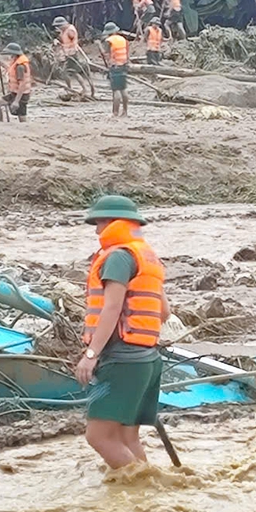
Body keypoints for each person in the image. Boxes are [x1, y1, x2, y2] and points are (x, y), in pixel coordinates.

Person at [74, 195, 169, 472]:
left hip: (123, 360)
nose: (96, 230)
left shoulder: (117, 257)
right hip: (147, 360)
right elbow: (164, 311)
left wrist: (91, 355)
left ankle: (143, 490)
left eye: (100, 222)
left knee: (99, 436)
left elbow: (112, 308)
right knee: (127, 437)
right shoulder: (145, 256)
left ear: (116, 222)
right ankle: (152, 494)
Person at [55, 16, 95, 100]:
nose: (58, 28)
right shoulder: (65, 30)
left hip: (72, 54)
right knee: (73, 72)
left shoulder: (70, 30)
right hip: (68, 54)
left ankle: (72, 88)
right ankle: (79, 88)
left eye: (59, 26)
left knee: (68, 72)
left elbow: (72, 41)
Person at [0, 42, 32, 123]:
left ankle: (26, 130)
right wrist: (2, 64)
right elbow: (11, 70)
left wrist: (16, 101)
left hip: (21, 95)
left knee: (21, 117)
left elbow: (22, 84)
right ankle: (0, 123)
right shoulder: (16, 61)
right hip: (14, 93)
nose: (9, 56)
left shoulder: (20, 66)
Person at [101, 23, 131, 120]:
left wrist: (99, 46)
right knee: (123, 89)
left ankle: (115, 113)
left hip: (115, 67)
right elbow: (127, 53)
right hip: (124, 65)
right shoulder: (123, 39)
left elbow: (106, 54)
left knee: (116, 91)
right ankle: (125, 112)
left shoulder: (108, 41)